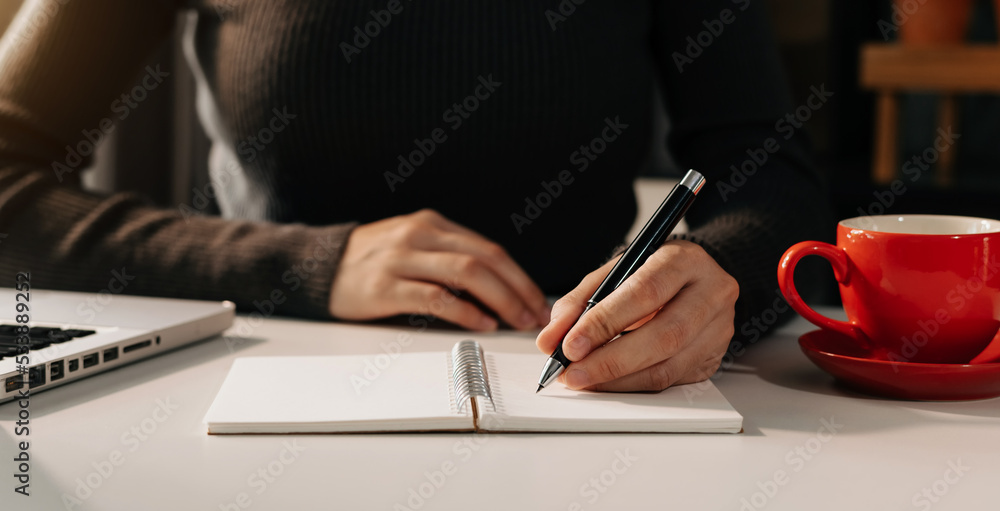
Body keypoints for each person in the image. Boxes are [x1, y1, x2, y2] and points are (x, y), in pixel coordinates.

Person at [0, 0, 830, 392]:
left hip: (592, 395)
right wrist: (306, 263)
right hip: (246, 393)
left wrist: (717, 265)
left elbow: (775, 171)